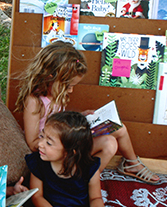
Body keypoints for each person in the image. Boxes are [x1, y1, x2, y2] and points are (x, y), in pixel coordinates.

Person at [15, 41, 159, 184]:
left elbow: (57, 121)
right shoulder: (34, 101)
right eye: (68, 86)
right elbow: (33, 144)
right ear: (49, 76)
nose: (70, 91)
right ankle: (81, 182)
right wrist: (63, 140)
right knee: (110, 142)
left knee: (115, 133)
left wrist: (80, 118)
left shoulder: (57, 95)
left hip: (67, 143)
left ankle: (95, 177)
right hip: (55, 152)